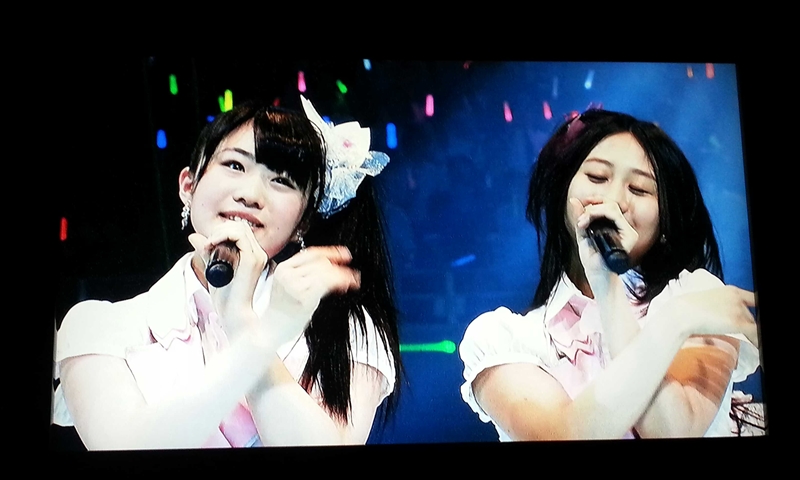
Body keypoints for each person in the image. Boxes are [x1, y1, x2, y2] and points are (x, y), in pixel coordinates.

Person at [53, 96, 401, 449]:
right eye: (235, 165)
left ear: (304, 221)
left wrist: (242, 321)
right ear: (188, 186)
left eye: (282, 180)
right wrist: (264, 335)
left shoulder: (347, 329)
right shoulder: (98, 326)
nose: (250, 194)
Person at [459, 109, 760, 440]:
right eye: (597, 177)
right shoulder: (506, 338)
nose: (614, 200)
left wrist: (614, 289)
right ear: (562, 192)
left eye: (640, 189)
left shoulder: (696, 297)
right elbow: (561, 435)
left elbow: (672, 430)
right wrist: (673, 322)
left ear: (664, 220)